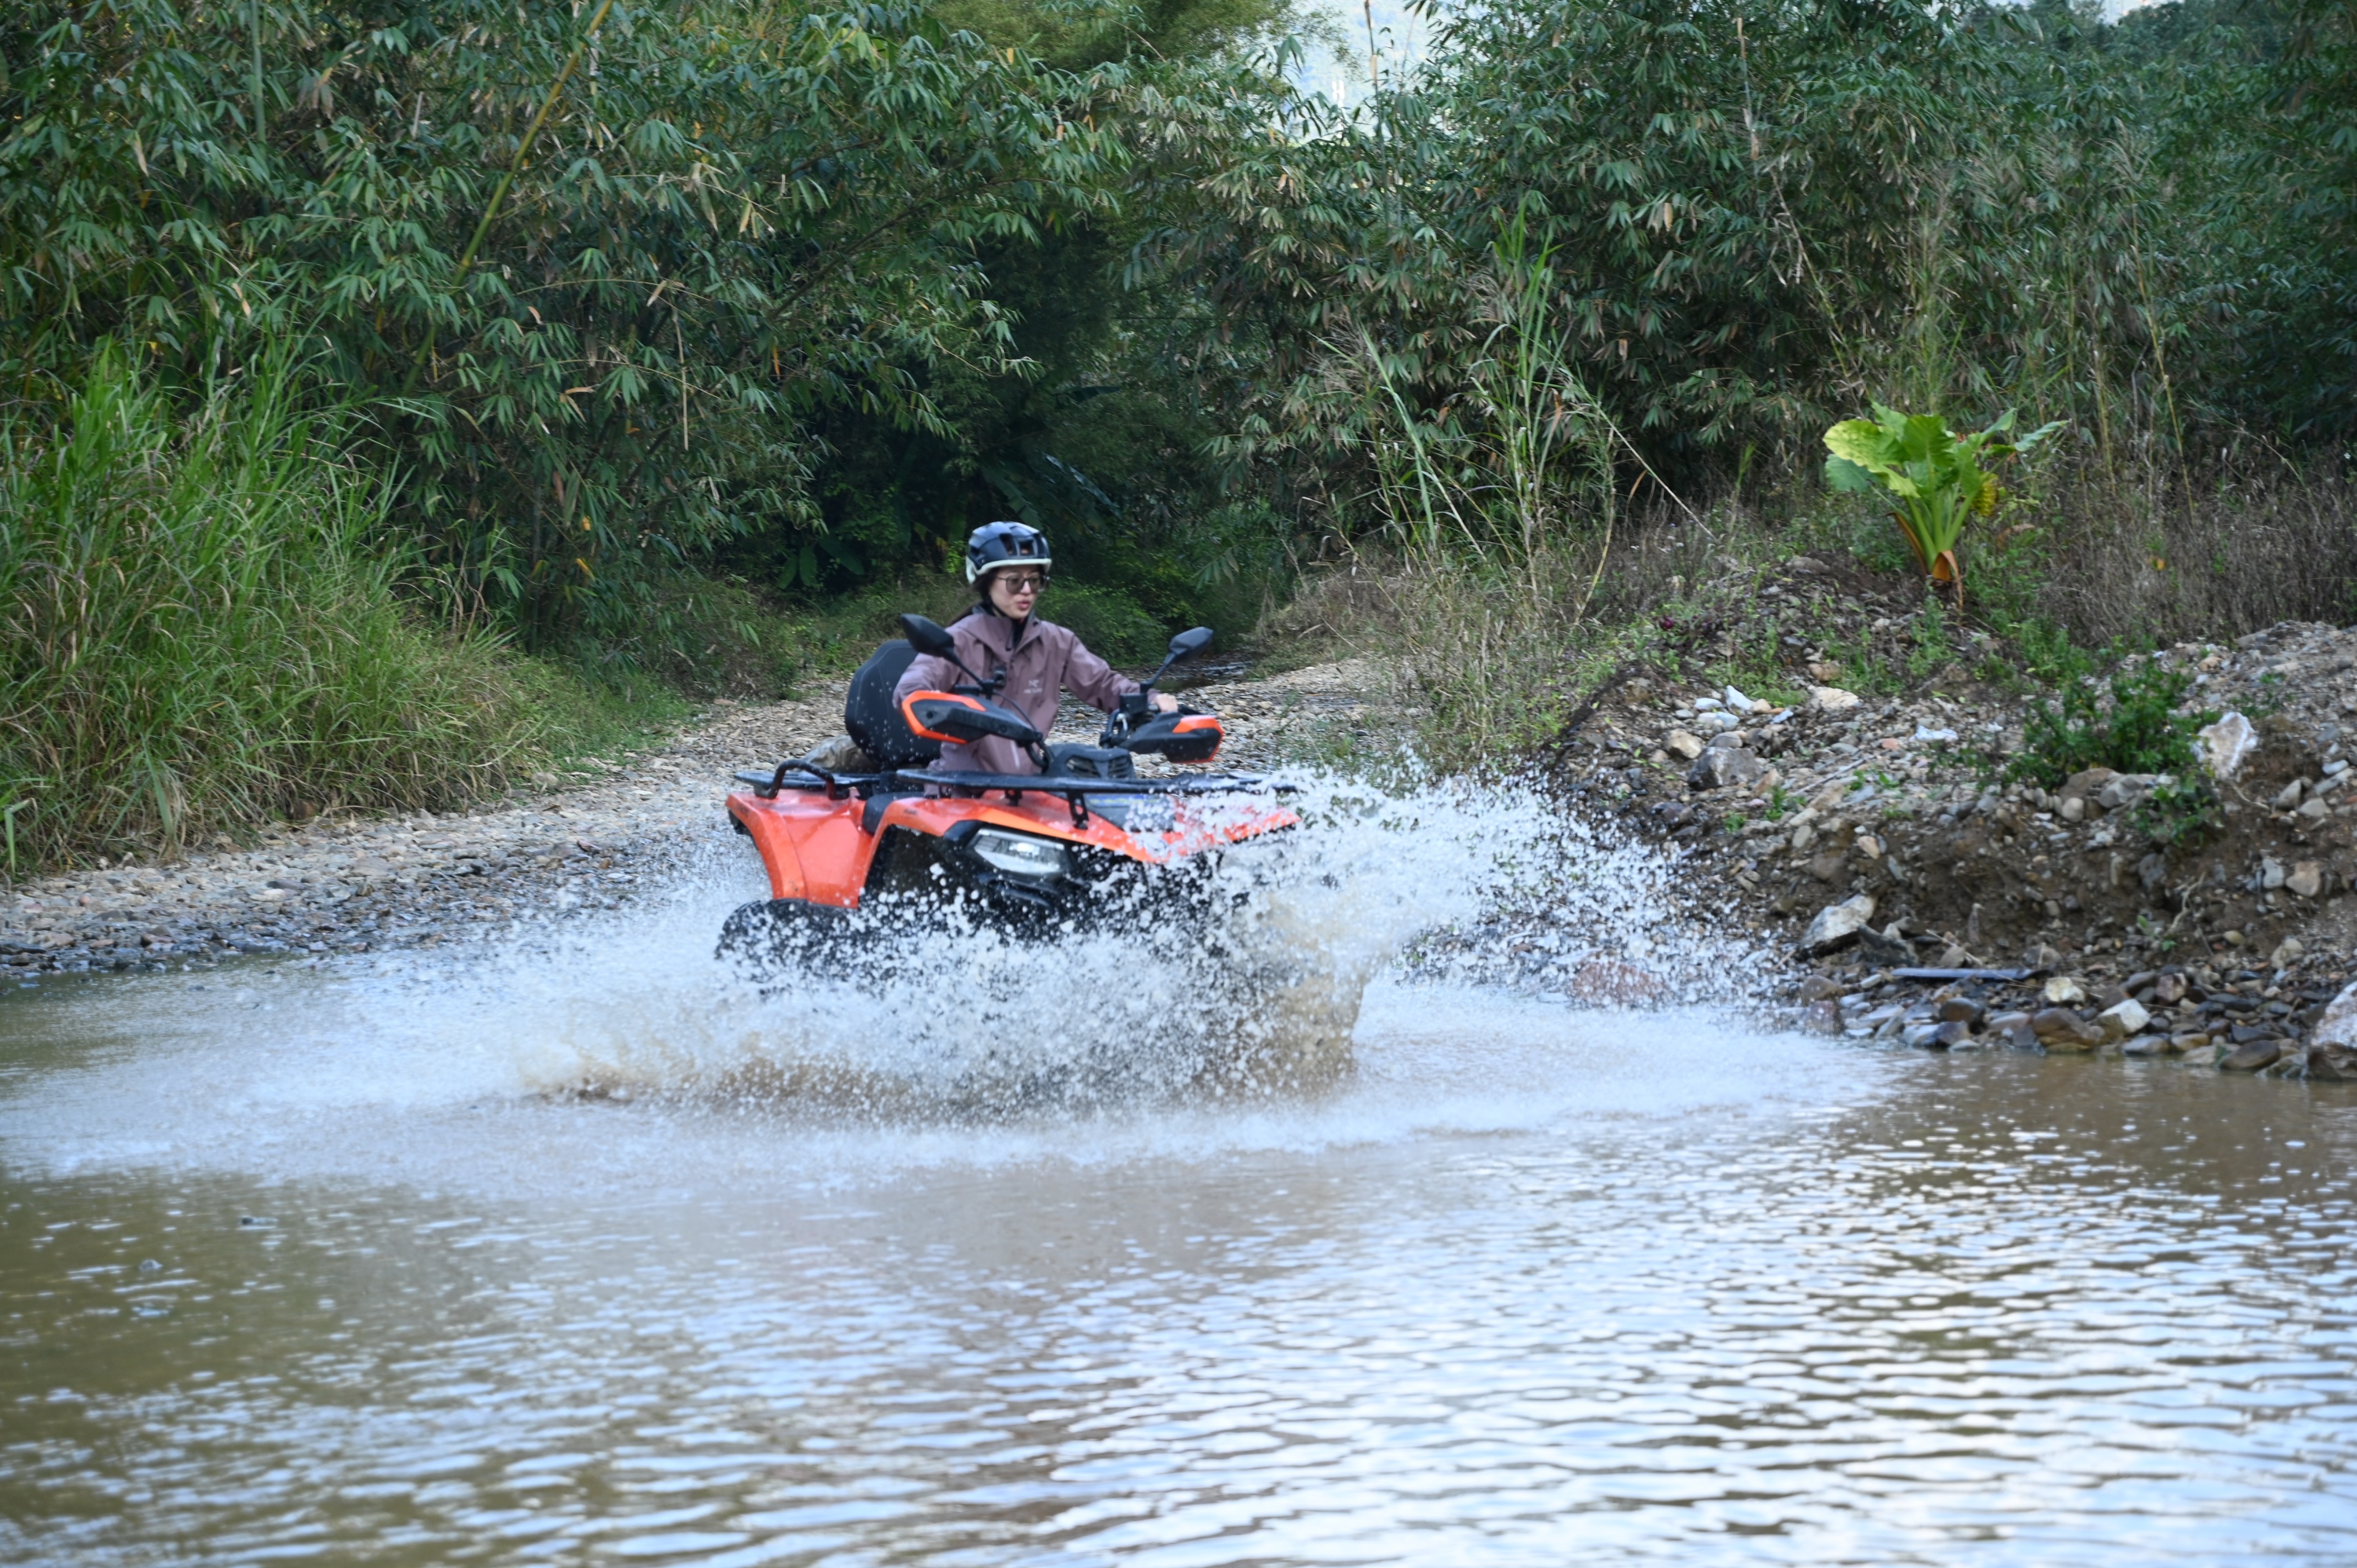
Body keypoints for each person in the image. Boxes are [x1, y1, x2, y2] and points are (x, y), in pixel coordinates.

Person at [894, 522, 1178, 776]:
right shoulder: (957, 640)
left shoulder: (1057, 641)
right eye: (1015, 581)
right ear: (985, 581)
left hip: (1030, 786)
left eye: (1035, 580)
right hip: (961, 788)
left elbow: (1103, 684)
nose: (1027, 590)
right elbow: (911, 689)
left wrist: (1152, 700)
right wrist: (955, 711)